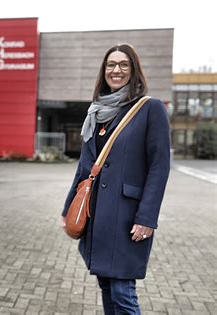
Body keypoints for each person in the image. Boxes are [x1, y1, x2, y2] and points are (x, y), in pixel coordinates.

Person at [62, 43, 170, 314]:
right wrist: (68, 209)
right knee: (107, 288)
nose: (116, 70)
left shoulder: (150, 109)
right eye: (111, 65)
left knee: (123, 293)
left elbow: (159, 167)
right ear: (104, 70)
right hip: (97, 214)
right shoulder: (96, 112)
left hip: (127, 216)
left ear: (134, 70)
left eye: (123, 64)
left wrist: (147, 218)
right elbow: (85, 167)